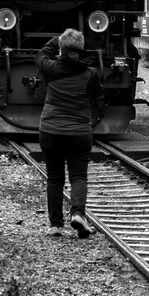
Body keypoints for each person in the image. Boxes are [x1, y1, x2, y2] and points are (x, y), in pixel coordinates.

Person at [35, 28, 107, 237]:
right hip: (79, 132)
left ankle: (56, 225)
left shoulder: (51, 68)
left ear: (62, 48)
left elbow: (40, 55)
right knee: (78, 176)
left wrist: (55, 40)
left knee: (55, 178)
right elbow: (97, 95)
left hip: (50, 131)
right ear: (81, 49)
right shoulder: (90, 74)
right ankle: (77, 214)